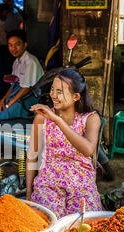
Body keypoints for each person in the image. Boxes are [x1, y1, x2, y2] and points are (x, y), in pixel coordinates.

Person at [26, 69, 103, 218]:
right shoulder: (42, 118)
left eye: (59, 91)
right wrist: (29, 193)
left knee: (84, 225)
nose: (53, 95)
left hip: (82, 185)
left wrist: (58, 120)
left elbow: (88, 149)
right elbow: (32, 156)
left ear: (76, 96)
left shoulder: (91, 118)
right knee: (48, 222)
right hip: (48, 185)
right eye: (52, 89)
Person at [0, 29, 44, 122]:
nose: (13, 48)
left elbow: (26, 88)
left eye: (17, 44)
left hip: (28, 97)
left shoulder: (30, 62)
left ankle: (2, 135)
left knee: (1, 118)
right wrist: (3, 100)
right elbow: (12, 86)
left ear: (25, 45)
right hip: (16, 95)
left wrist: (8, 104)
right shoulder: (16, 62)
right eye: (10, 45)